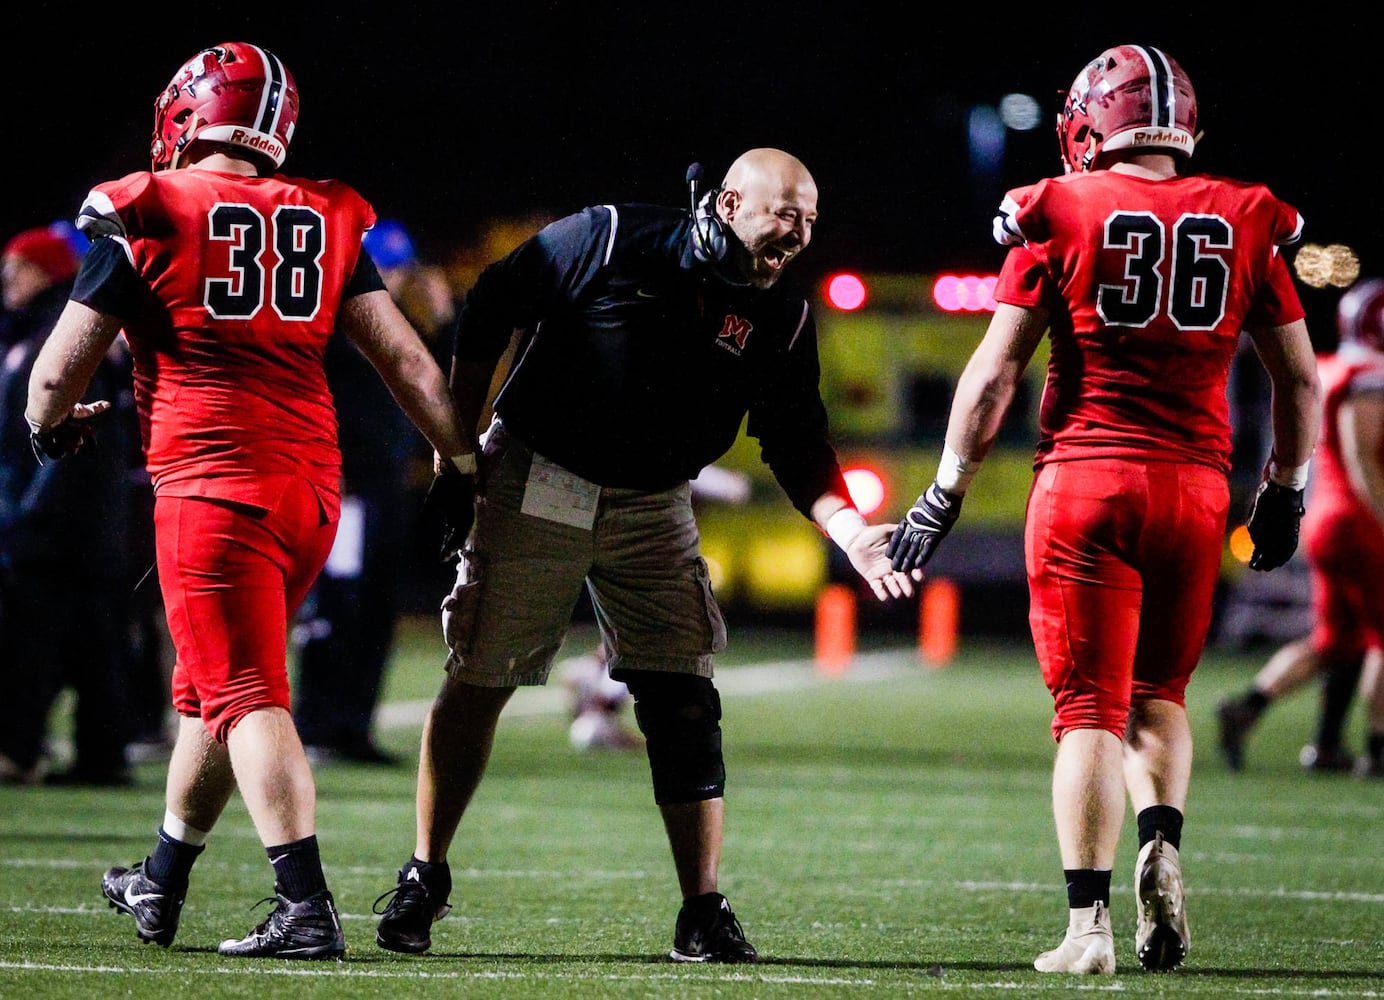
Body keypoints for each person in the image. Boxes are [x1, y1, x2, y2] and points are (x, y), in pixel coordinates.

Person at [371, 148, 915, 963]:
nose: (796, 235)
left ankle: (702, 909)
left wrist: (850, 531)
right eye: (782, 215)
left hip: (655, 499)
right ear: (730, 204)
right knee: (481, 675)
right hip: (539, 476)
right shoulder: (609, 237)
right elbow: (491, 302)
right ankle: (426, 873)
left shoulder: (783, 316)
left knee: (684, 699)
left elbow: (797, 442)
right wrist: (458, 448)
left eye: (808, 220)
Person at [24, 41, 470, 959]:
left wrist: (49, 424)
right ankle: (163, 872)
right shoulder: (328, 212)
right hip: (310, 491)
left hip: (211, 488)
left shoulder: (146, 205)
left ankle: (303, 902)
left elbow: (55, 372)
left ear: (189, 112)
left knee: (245, 692)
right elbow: (408, 361)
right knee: (209, 697)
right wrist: (460, 460)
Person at [887, 45, 1322, 974]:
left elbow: (996, 371)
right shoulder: (1248, 214)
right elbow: (1298, 377)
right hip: (1197, 492)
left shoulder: (1060, 205)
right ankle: (1162, 843)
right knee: (1159, 698)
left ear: (1093, 119)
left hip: (1087, 482)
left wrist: (942, 493)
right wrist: (1285, 490)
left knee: (1088, 710)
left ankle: (1087, 930)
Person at [293, 219, 448, 765]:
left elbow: (444, 386)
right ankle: (316, 723)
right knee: (334, 605)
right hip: (343, 489)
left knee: (378, 606)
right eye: (384, 266)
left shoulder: (402, 328)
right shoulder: (329, 329)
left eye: (399, 268)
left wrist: (446, 318)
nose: (394, 278)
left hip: (385, 492)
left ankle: (353, 727)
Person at [1219, 278, 1384, 778]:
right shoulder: (1368, 375)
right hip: (1361, 517)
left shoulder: (1333, 367)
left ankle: (1251, 705)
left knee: (1336, 640)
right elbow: (1363, 459)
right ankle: (1379, 747)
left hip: (1326, 515)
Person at [0, 225, 139, 786]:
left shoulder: (63, 333)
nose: (10, 277)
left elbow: (67, 437)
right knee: (88, 642)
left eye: (22, 265)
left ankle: (22, 748)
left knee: (37, 643)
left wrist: (24, 517)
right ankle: (99, 754)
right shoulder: (31, 332)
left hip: (61, 524)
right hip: (73, 524)